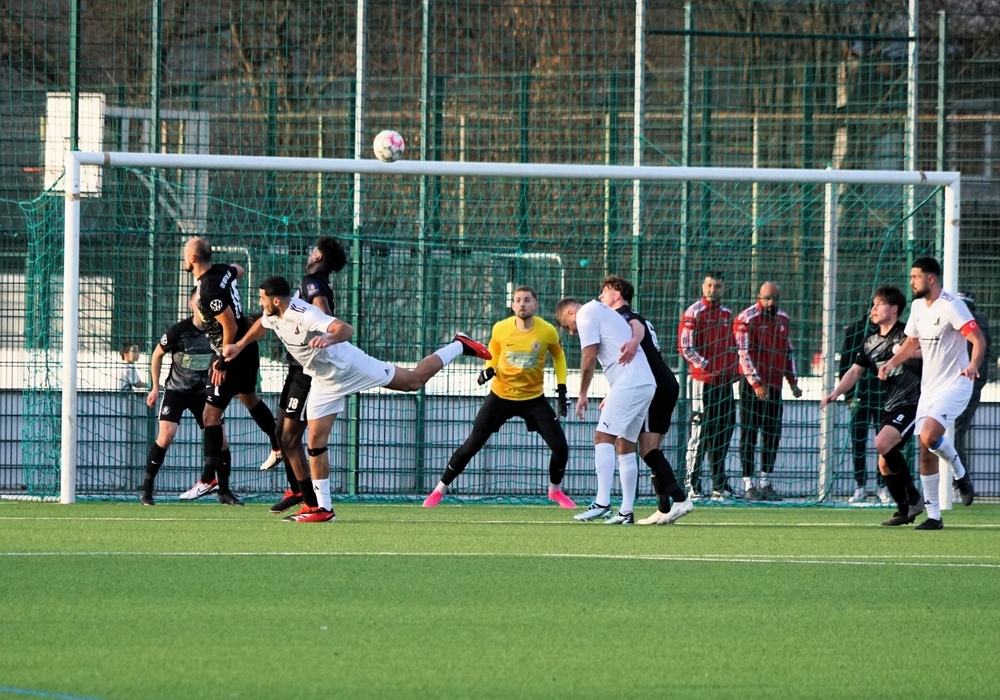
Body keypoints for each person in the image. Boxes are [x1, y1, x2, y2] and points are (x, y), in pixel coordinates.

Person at [225, 275, 491, 522]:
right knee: (315, 441)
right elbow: (262, 325)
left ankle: (459, 344)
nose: (259, 302)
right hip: (323, 379)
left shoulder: (304, 314)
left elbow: (345, 328)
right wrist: (239, 345)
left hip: (349, 366)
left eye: (262, 298)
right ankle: (323, 509)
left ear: (276, 301)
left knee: (413, 381)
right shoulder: (273, 314)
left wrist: (330, 339)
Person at [422, 286, 574, 508]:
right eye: (517, 300)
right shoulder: (501, 329)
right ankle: (439, 489)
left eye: (527, 300)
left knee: (560, 448)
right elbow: (493, 352)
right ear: (512, 306)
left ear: (535, 305)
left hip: (533, 398)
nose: (522, 304)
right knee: (471, 445)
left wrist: (561, 388)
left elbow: (559, 358)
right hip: (501, 396)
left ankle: (555, 490)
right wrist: (489, 369)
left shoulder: (547, 331)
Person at [878, 258, 985, 529]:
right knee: (926, 453)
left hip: (956, 384)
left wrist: (973, 365)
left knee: (929, 435)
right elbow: (911, 342)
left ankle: (960, 473)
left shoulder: (952, 306)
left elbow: (977, 340)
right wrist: (892, 363)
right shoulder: (917, 307)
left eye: (915, 277)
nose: (911, 282)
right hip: (930, 389)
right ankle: (934, 517)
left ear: (931, 279)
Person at [180, 236, 282, 506]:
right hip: (247, 347)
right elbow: (240, 269)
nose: (183, 258)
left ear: (192, 259)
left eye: (185, 254)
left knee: (210, 416)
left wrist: (223, 362)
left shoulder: (208, 291)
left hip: (231, 352)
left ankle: (208, 480)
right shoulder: (223, 270)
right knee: (249, 398)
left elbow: (230, 327)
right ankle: (278, 444)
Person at [820, 286, 925, 526]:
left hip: (913, 402)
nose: (873, 308)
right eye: (873, 304)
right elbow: (855, 371)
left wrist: (909, 354)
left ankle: (914, 496)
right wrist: (836, 393)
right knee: (883, 463)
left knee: (881, 443)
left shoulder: (908, 335)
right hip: (891, 404)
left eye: (879, 304)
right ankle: (904, 511)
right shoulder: (870, 341)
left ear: (894, 309)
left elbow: (930, 352)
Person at [262, 236, 347, 515]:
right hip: (295, 366)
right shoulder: (312, 282)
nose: (310, 253)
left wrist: (324, 336)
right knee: (281, 434)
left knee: (290, 436)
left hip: (306, 370)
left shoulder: (313, 282)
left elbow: (324, 314)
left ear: (319, 257)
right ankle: (298, 491)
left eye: (314, 250)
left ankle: (308, 497)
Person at [555, 297, 656, 526]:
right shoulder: (604, 311)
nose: (571, 332)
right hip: (645, 383)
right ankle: (626, 511)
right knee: (624, 444)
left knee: (602, 437)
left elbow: (589, 357)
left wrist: (582, 393)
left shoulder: (586, 313)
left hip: (631, 383)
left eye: (567, 326)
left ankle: (602, 503)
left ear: (570, 313)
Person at [598, 275, 691, 525]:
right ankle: (663, 508)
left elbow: (635, 328)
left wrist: (634, 341)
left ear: (617, 294)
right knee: (652, 449)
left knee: (647, 449)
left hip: (653, 386)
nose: (600, 296)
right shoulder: (638, 317)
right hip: (666, 382)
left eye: (605, 291)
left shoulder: (623, 317)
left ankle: (680, 499)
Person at [140, 288, 224, 505]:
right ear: (191, 305)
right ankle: (146, 489)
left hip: (203, 393)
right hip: (176, 391)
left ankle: (224, 491)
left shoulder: (217, 332)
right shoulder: (178, 331)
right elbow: (157, 354)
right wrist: (155, 387)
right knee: (166, 436)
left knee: (222, 440)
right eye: (199, 303)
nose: (203, 308)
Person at [734, 281, 802, 501]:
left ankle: (765, 482)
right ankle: (748, 484)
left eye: (775, 298)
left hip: (775, 386)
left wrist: (792, 382)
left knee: (772, 434)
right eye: (767, 298)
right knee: (749, 434)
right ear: (759, 297)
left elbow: (788, 351)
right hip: (752, 387)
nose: (771, 302)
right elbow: (743, 354)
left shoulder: (783, 319)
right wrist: (756, 383)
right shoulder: (746, 319)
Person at [678, 272, 738, 500]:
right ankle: (692, 483)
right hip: (702, 382)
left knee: (724, 430)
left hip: (725, 384)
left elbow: (732, 347)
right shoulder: (694, 312)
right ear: (703, 287)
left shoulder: (727, 314)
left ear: (723, 288)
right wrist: (708, 366)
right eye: (710, 285)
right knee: (701, 432)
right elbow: (685, 348)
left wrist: (732, 370)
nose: (713, 289)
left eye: (718, 286)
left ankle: (719, 484)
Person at [837, 313, 891, 504]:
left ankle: (882, 485)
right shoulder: (855, 330)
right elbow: (845, 363)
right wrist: (849, 395)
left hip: (883, 394)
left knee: (884, 442)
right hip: (860, 395)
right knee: (858, 440)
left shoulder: (892, 331)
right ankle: (860, 485)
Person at [952, 291, 991, 471]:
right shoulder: (980, 324)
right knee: (954, 434)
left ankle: (958, 479)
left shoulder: (971, 326)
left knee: (953, 434)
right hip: (969, 386)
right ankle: (957, 479)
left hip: (963, 385)